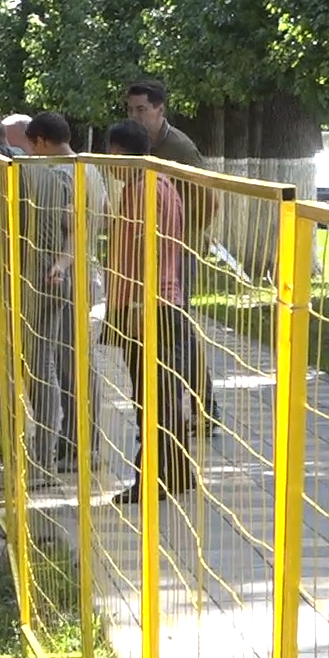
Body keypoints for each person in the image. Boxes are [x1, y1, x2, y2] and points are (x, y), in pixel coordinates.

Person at [104, 119, 197, 503]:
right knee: (162, 392)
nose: (108, 163)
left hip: (150, 306)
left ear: (123, 154)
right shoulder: (154, 185)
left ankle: (154, 478)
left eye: (110, 155)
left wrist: (139, 305)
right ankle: (178, 472)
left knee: (152, 396)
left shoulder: (144, 191)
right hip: (156, 303)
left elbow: (151, 251)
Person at [126, 80, 217, 435]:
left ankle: (190, 410)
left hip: (176, 254)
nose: (134, 116)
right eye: (130, 109)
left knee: (175, 330)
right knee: (170, 331)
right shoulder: (142, 146)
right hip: (154, 251)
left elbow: (208, 197)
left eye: (142, 110)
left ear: (161, 109)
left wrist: (186, 237)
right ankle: (182, 411)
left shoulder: (177, 147)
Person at [23, 112, 107, 472]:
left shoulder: (57, 174)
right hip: (85, 271)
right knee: (78, 363)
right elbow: (106, 214)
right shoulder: (89, 169)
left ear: (41, 141)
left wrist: (60, 263)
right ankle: (83, 443)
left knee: (59, 365)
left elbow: (68, 226)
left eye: (31, 146)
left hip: (62, 274)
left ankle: (74, 445)